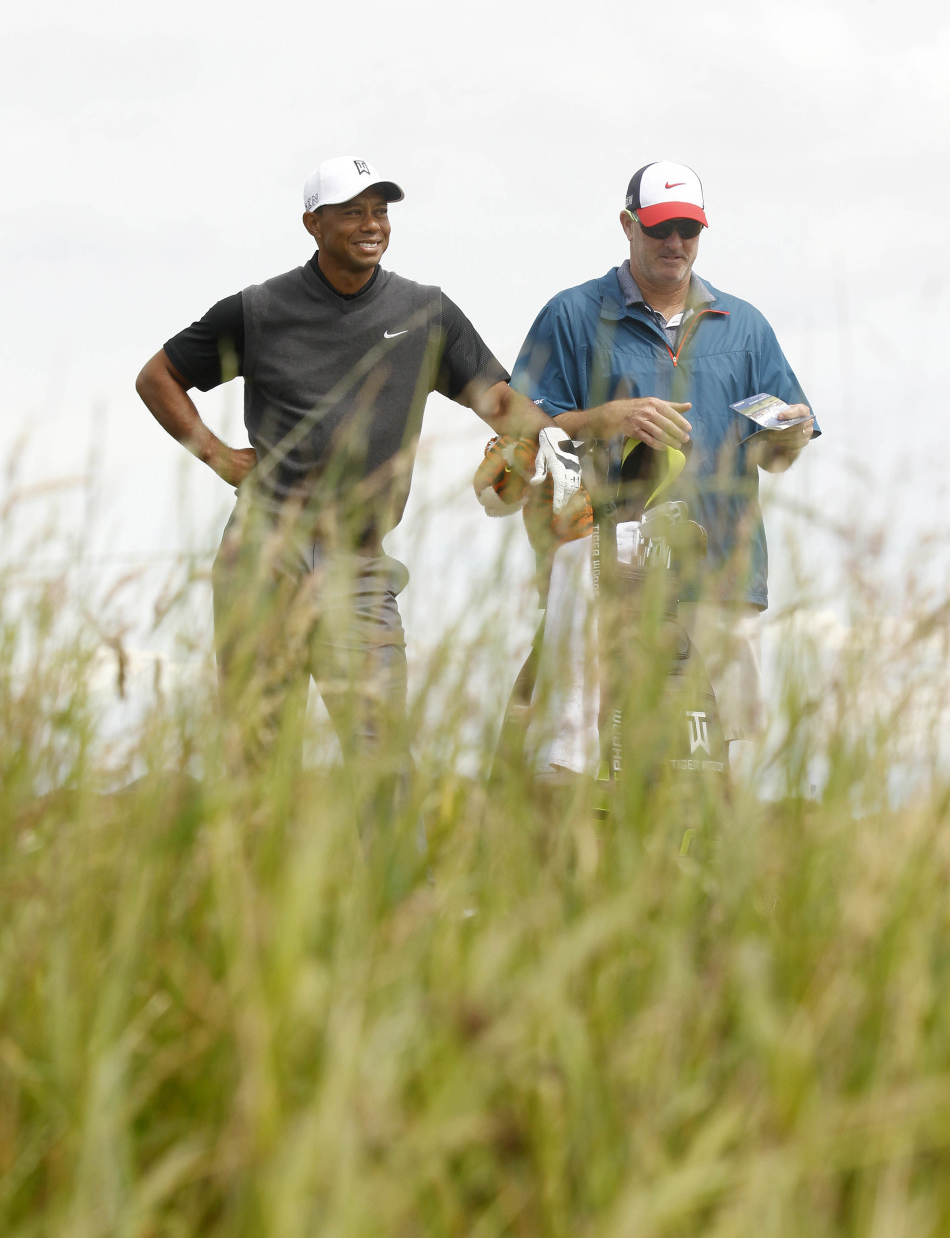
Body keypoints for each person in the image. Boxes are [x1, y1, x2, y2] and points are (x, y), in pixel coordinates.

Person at [135, 154, 579, 782]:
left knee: (384, 763)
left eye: (380, 211)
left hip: (361, 559)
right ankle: (258, 880)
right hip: (265, 548)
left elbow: (502, 404)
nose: (371, 224)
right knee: (258, 760)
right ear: (313, 223)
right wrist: (220, 456)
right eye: (353, 212)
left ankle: (390, 885)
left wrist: (583, 432)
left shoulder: (426, 312)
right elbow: (159, 377)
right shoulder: (258, 309)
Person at [508, 160, 820, 774]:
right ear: (627, 225)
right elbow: (520, 433)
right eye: (659, 228)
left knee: (717, 768)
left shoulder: (746, 325)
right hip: (605, 583)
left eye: (688, 228)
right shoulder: (573, 315)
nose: (675, 243)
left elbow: (774, 458)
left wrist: (795, 433)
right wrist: (610, 416)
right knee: (592, 761)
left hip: (723, 581)